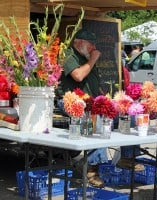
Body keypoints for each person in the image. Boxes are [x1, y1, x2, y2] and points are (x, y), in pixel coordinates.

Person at [59, 29, 107, 187]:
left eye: (94, 44)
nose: (94, 47)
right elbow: (78, 76)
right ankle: (92, 170)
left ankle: (127, 158)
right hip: (70, 101)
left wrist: (104, 97)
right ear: (78, 42)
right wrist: (92, 60)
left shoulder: (87, 58)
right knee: (95, 122)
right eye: (91, 44)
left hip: (89, 102)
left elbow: (93, 82)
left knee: (126, 115)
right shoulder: (68, 55)